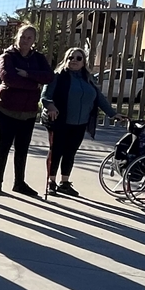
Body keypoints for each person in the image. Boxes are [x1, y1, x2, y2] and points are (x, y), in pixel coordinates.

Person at [42, 48, 121, 196]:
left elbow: (99, 98)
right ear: (66, 60)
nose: (74, 60)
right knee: (56, 151)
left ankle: (64, 183)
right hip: (59, 120)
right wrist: (50, 106)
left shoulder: (88, 78)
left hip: (80, 122)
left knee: (70, 152)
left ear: (84, 62)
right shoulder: (58, 76)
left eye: (78, 58)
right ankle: (50, 182)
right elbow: (45, 96)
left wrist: (113, 113)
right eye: (70, 57)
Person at [0, 24, 54, 197]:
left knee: (22, 148)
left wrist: (27, 73)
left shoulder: (38, 58)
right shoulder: (8, 56)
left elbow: (48, 76)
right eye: (23, 36)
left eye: (29, 38)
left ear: (34, 40)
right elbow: (8, 78)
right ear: (17, 37)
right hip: (6, 107)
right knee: (3, 146)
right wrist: (34, 84)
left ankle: (19, 182)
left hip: (28, 111)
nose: (25, 40)